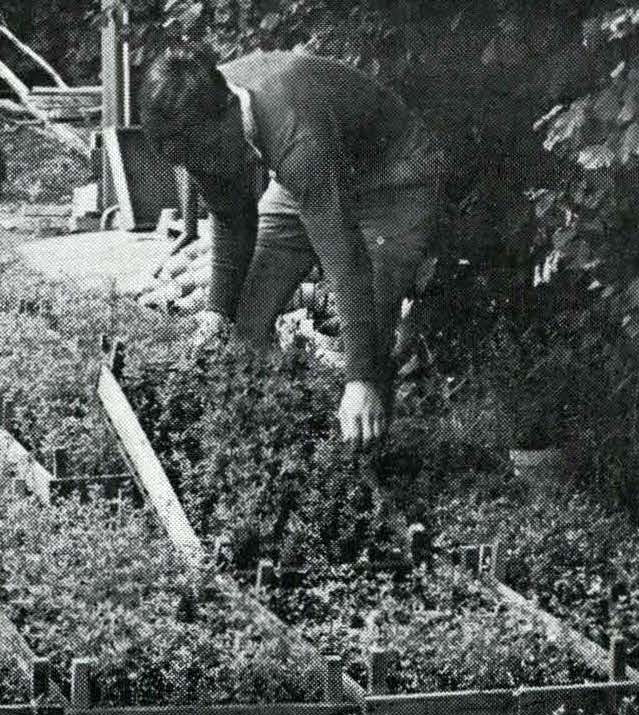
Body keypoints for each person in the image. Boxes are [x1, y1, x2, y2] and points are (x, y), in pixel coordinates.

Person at [141, 46, 448, 448]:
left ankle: (368, 459)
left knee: (371, 319)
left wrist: (358, 378)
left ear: (231, 109)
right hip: (314, 171)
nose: (207, 168)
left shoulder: (297, 138)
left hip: (396, 172)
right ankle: (260, 447)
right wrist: (217, 312)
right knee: (246, 323)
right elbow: (233, 220)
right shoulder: (195, 123)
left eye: (211, 155)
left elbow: (346, 262)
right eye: (191, 162)